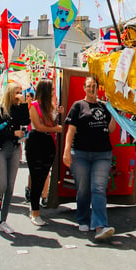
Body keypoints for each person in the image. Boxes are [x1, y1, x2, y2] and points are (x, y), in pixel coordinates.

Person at [63, 75, 115, 241]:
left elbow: (111, 130)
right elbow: (70, 130)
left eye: (94, 86)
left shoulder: (104, 107)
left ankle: (100, 225)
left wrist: (114, 114)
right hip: (81, 153)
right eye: (89, 86)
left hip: (103, 153)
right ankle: (83, 218)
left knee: (98, 188)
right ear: (84, 88)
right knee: (83, 188)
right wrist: (66, 151)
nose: (92, 89)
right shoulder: (78, 106)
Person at [0, 82, 30, 236]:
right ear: (10, 93)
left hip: (15, 149)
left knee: (10, 187)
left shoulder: (18, 108)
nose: (19, 94)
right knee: (1, 185)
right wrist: (12, 134)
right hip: (0, 149)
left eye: (20, 92)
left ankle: (3, 221)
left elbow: (26, 121)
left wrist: (24, 103)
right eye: (17, 92)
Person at [25, 79, 62, 226]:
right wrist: (55, 129)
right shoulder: (34, 106)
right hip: (36, 143)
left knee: (44, 175)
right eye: (51, 89)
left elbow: (53, 123)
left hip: (49, 144)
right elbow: (38, 126)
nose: (53, 92)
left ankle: (36, 206)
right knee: (36, 177)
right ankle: (34, 211)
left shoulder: (51, 106)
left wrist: (58, 115)